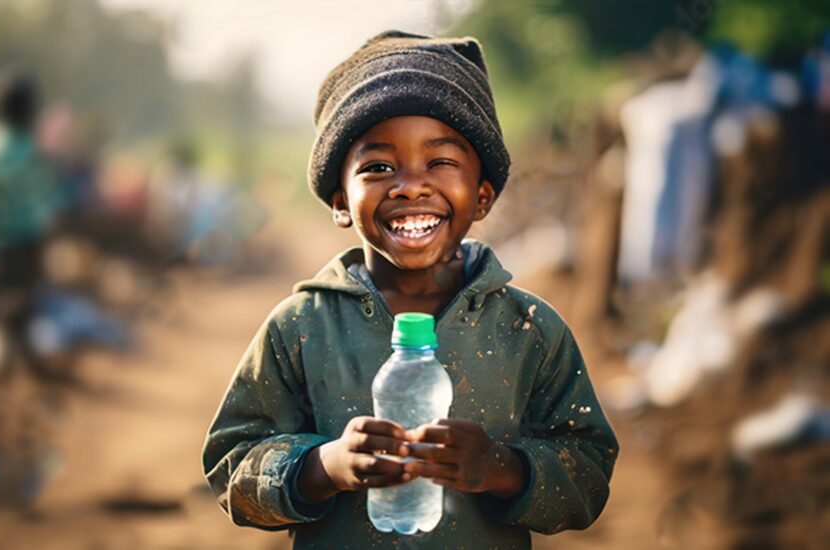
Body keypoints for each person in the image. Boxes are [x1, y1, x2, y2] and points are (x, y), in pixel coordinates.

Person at [202, 31, 619, 548]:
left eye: (440, 161)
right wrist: (322, 466)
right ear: (339, 200)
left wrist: (501, 468)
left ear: (484, 194)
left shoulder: (528, 329)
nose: (409, 184)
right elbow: (231, 465)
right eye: (377, 167)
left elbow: (589, 473)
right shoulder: (302, 325)